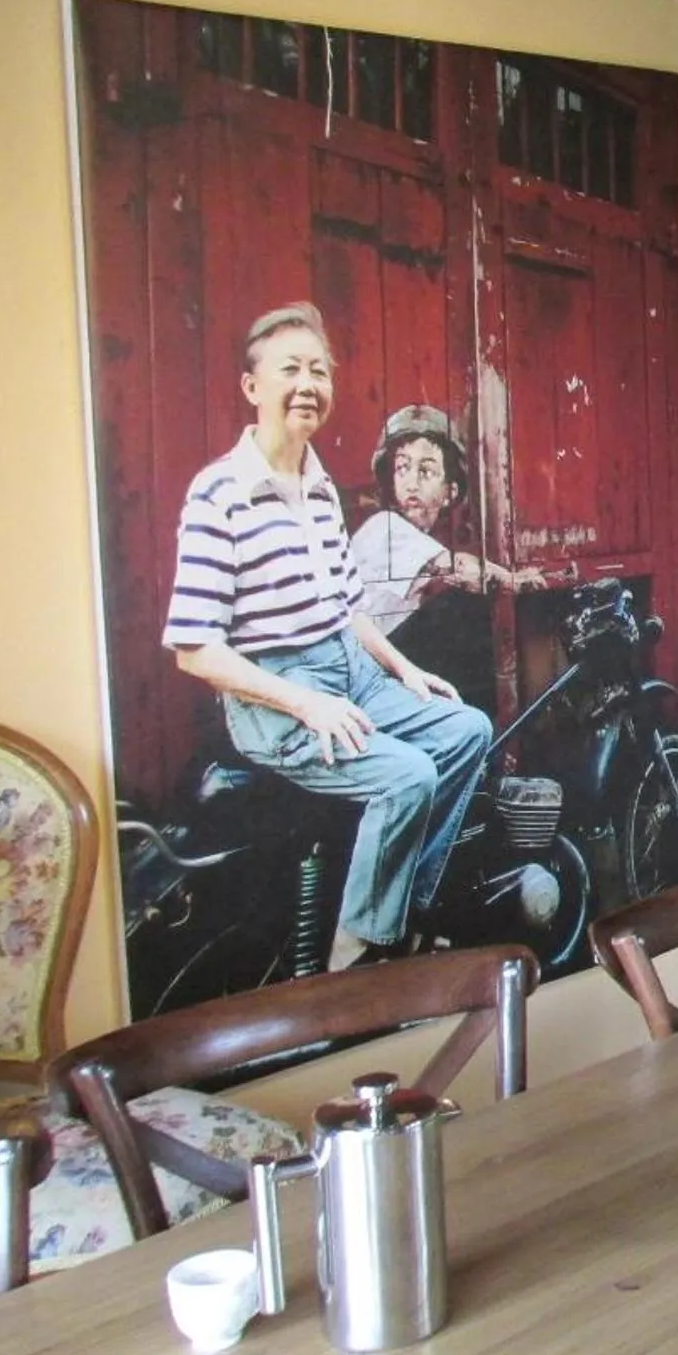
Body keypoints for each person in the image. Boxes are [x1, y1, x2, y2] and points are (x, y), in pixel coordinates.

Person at [162, 304, 493, 972]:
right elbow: (193, 648)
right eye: (291, 369)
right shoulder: (218, 493)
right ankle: (360, 952)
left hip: (351, 669)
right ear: (253, 387)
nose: (308, 384)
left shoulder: (317, 488)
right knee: (408, 775)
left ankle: (403, 910)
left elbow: (347, 606)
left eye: (319, 370)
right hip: (278, 694)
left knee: (467, 730)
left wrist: (403, 671)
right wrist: (306, 704)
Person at [352, 404, 546, 638]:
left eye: (426, 471)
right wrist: (515, 581)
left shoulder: (415, 542)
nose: (411, 483)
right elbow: (457, 569)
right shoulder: (383, 528)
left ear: (450, 492)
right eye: (402, 468)